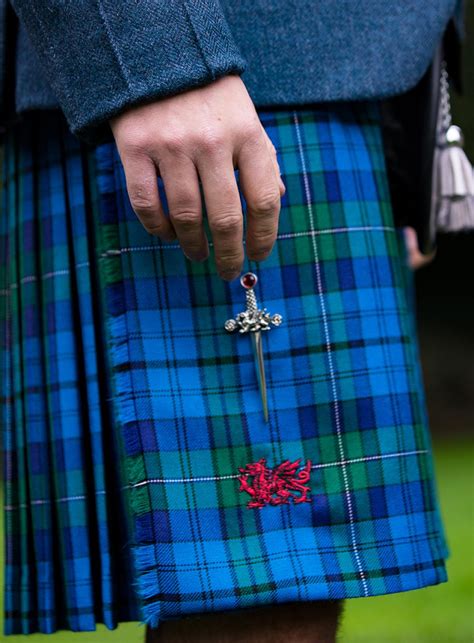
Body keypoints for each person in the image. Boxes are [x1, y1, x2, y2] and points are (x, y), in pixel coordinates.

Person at [0, 2, 462, 641]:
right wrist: (156, 55)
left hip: (335, 82)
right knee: (258, 598)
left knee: (276, 598)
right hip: (200, 85)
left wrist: (404, 138)